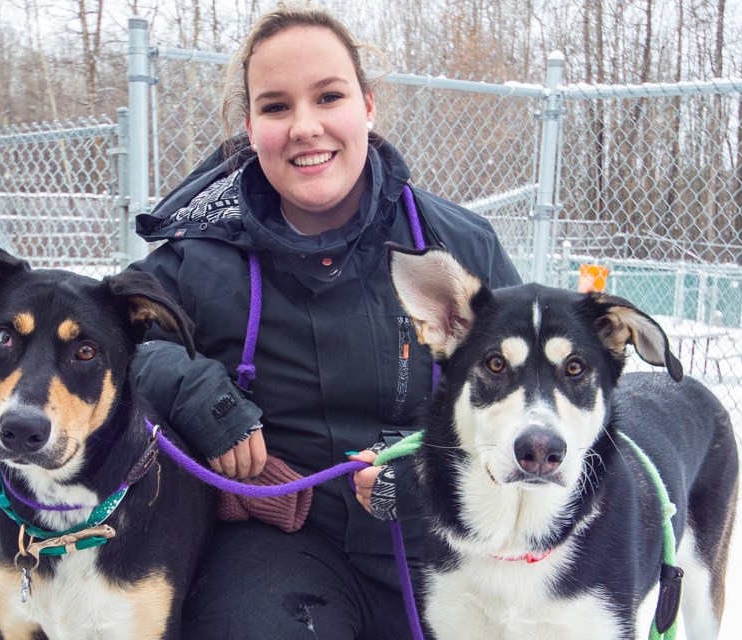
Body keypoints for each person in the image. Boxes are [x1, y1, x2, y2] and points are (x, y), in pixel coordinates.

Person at [129, 3, 522, 638]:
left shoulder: (458, 248)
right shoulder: (198, 257)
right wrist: (198, 391)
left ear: (368, 106)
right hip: (282, 545)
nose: (305, 126)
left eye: (329, 96)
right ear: (250, 127)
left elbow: (528, 391)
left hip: (446, 547)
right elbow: (112, 338)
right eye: (276, 106)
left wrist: (435, 472)